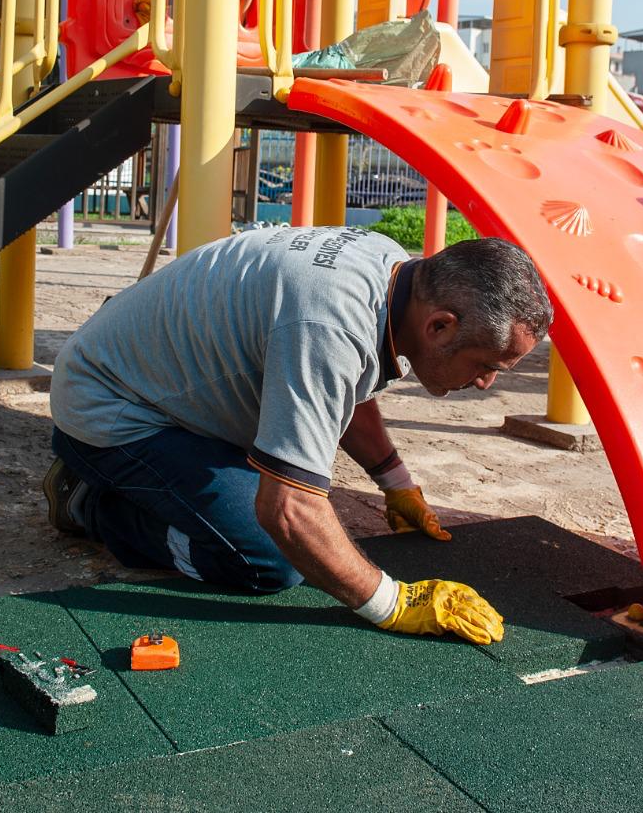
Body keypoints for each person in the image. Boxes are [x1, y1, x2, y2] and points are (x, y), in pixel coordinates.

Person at [44, 225, 552, 646]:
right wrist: (392, 603)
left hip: (154, 383)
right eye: (486, 365)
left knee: (295, 518)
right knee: (269, 559)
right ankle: (91, 504)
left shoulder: (395, 271)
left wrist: (394, 482)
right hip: (112, 407)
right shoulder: (331, 323)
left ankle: (135, 485)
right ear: (440, 327)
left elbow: (343, 383)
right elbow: (286, 509)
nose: (485, 383)